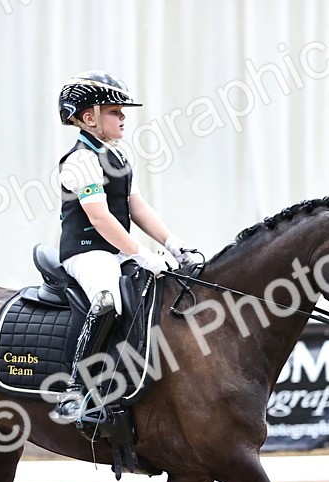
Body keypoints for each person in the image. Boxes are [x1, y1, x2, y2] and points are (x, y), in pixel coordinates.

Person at [52, 71, 198, 422]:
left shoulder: (117, 156)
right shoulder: (80, 161)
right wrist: (140, 254)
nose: (123, 117)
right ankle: (75, 387)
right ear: (89, 118)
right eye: (115, 111)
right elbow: (100, 218)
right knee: (107, 300)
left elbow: (137, 207)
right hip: (86, 250)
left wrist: (174, 245)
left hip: (115, 249)